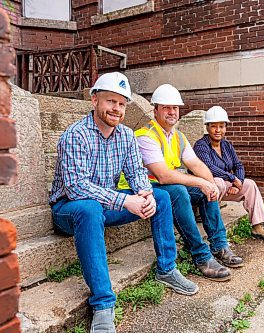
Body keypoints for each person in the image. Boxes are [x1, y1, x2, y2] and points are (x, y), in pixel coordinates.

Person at [49, 73, 198, 333]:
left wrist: (144, 194)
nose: (116, 109)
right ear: (94, 100)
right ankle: (104, 304)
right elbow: (75, 188)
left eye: (121, 103)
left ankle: (167, 269)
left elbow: (136, 173)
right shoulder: (76, 134)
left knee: (161, 196)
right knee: (89, 207)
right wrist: (124, 200)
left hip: (106, 205)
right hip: (70, 210)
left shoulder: (126, 136)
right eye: (110, 101)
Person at [120, 84, 243, 282]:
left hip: (163, 185)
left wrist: (210, 184)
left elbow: (196, 164)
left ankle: (220, 245)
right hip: (138, 188)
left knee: (202, 189)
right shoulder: (145, 136)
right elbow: (163, 176)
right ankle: (201, 255)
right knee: (178, 191)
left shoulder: (178, 137)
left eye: (175, 108)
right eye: (166, 107)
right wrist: (201, 183)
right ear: (156, 110)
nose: (172, 112)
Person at [193, 106, 264, 242]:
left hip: (225, 185)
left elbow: (238, 165)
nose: (218, 130)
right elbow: (208, 168)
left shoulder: (227, 145)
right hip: (204, 188)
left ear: (225, 128)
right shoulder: (201, 146)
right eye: (214, 126)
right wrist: (232, 178)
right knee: (218, 182)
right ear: (207, 127)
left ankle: (258, 227)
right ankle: (212, 221)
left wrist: (238, 182)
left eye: (221, 126)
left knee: (250, 184)